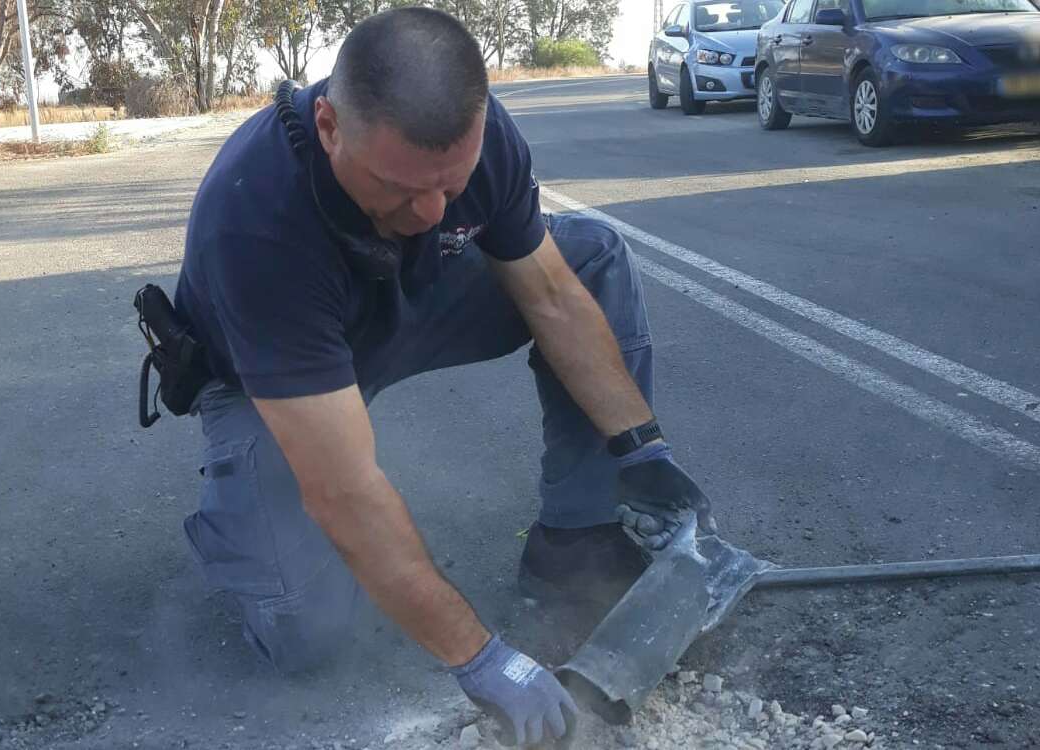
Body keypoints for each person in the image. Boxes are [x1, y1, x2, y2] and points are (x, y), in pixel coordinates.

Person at [173, 7, 716, 746]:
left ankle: (575, 537)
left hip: (402, 306)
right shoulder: (256, 223)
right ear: (330, 126)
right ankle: (235, 529)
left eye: (450, 187)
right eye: (399, 188)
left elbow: (551, 293)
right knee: (309, 636)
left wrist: (640, 445)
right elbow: (344, 487)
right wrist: (482, 658)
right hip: (272, 378)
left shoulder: (476, 146)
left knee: (588, 256)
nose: (431, 214)